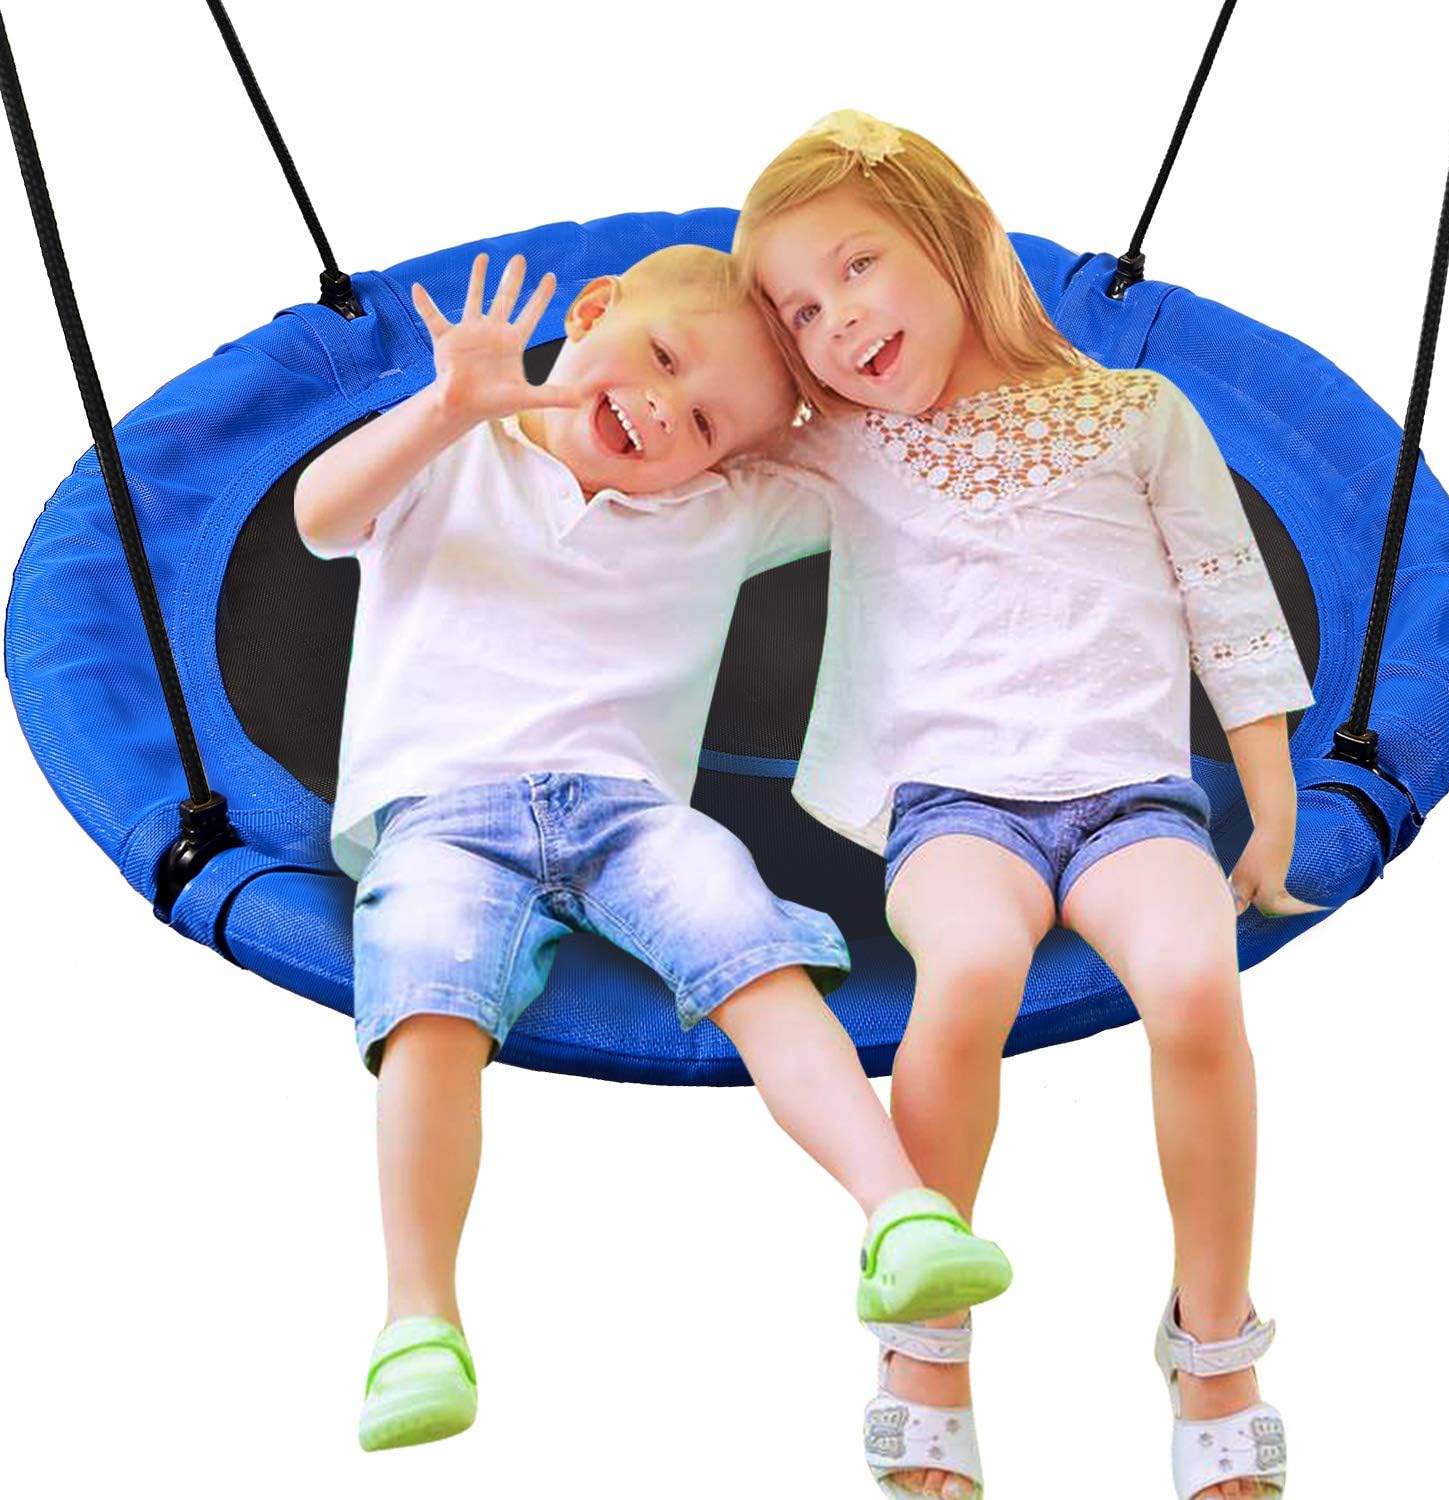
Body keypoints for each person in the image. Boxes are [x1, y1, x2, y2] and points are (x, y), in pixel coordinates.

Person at [294, 242, 1015, 1453]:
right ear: (590, 311)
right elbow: (322, 519)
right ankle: (417, 1320)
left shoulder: (720, 509)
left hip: (630, 817)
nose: (664, 411)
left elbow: (882, 459)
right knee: (426, 999)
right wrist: (447, 403)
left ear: (734, 456)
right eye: (663, 358)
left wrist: (850, 357)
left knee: (748, 944)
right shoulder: (454, 455)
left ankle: (900, 1216)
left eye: (707, 421)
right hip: (442, 813)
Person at [733, 110, 1322, 1500]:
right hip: (956, 812)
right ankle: (926, 1347)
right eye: (801, 311)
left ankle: (1215, 1341)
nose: (837, 321)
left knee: (1194, 981)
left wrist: (1272, 804)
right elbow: (689, 484)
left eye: (858, 266)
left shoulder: (1135, 413)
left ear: (953, 239)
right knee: (971, 970)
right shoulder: (841, 447)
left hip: (1131, 805)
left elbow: (1227, 603)